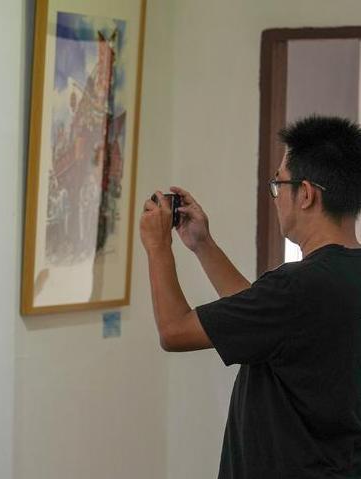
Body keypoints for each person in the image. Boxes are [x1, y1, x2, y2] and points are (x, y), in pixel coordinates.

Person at [140, 115, 361, 478]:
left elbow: (174, 331)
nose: (276, 197)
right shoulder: (334, 280)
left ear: (306, 194)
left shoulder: (298, 287)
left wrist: (156, 246)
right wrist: (202, 244)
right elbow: (265, 319)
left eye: (279, 183)